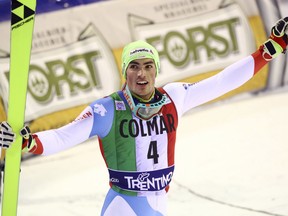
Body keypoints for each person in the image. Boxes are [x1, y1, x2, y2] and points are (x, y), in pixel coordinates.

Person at [0, 17, 288, 216]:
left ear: (156, 70)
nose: (141, 73)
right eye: (134, 66)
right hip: (124, 204)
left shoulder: (175, 96)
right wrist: (29, 142)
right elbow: (65, 135)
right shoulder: (107, 108)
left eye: (148, 66)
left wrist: (270, 49)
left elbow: (222, 82)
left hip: (159, 202)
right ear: (125, 71)